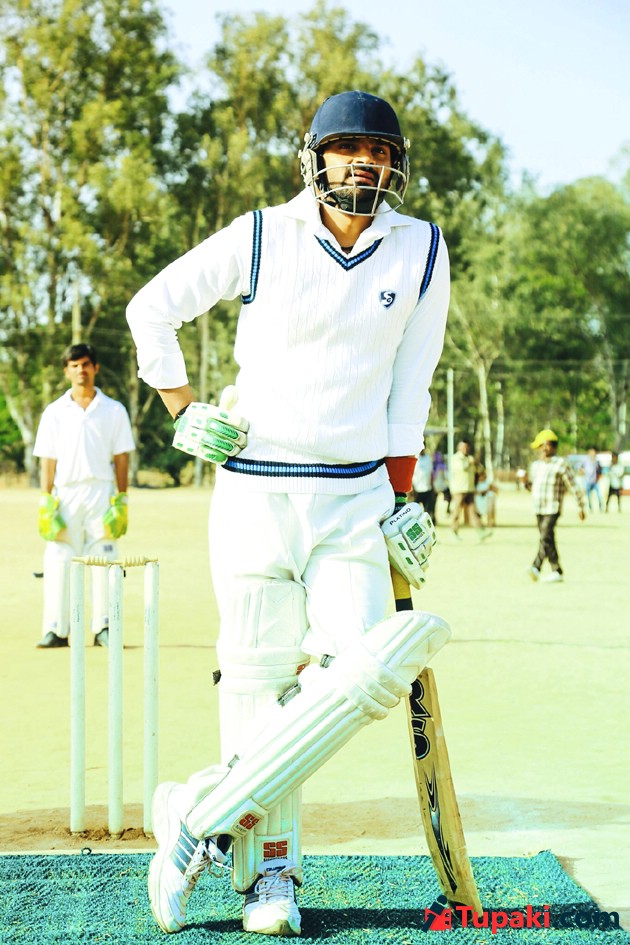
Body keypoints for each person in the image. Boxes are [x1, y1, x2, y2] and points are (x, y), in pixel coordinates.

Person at [127, 90, 451, 937]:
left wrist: (403, 495)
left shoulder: (420, 248)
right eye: (348, 148)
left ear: (396, 166)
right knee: (254, 679)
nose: (365, 162)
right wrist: (182, 409)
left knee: (364, 675)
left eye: (379, 151)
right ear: (315, 158)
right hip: (254, 488)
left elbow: (411, 386)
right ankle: (270, 875)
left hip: (356, 494)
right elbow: (151, 308)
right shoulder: (261, 233)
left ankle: (197, 813)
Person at [33, 343, 135, 648]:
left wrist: (122, 499)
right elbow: (48, 459)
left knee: (104, 558)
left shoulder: (113, 410)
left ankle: (105, 627)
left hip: (101, 493)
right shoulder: (54, 412)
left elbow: (121, 457)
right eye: (75, 365)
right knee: (59, 559)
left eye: (86, 364)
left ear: (96, 368)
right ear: (66, 371)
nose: (81, 370)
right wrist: (46, 500)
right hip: (65, 494)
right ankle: (56, 629)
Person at [526, 428, 586, 583]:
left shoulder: (561, 464)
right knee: (548, 538)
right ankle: (556, 570)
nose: (542, 450)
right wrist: (524, 482)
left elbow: (573, 486)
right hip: (538, 507)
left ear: (551, 446)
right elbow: (532, 487)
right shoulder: (536, 465)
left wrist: (580, 506)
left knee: (545, 535)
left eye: (544, 446)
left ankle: (536, 566)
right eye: (540, 447)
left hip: (552, 507)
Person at [449, 440, 491, 540]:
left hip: (469, 490)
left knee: (473, 512)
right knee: (456, 513)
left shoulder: (470, 459)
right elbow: (461, 468)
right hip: (459, 490)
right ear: (459, 447)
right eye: (463, 447)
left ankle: (481, 532)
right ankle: (454, 533)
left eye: (467, 447)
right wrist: (470, 462)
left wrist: (477, 463)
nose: (465, 449)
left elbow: (480, 470)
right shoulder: (456, 458)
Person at [408, 448, 436, 519]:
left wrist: (433, 487)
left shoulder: (428, 458)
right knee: (414, 513)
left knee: (428, 512)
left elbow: (431, 473)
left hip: (427, 489)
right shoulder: (414, 458)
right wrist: (411, 488)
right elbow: (410, 474)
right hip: (416, 490)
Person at [583, 447, 603, 512]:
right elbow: (581, 469)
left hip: (595, 482)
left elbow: (600, 471)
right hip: (588, 481)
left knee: (599, 495)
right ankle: (590, 507)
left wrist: (598, 478)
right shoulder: (585, 462)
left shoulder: (597, 462)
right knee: (588, 496)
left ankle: (601, 507)